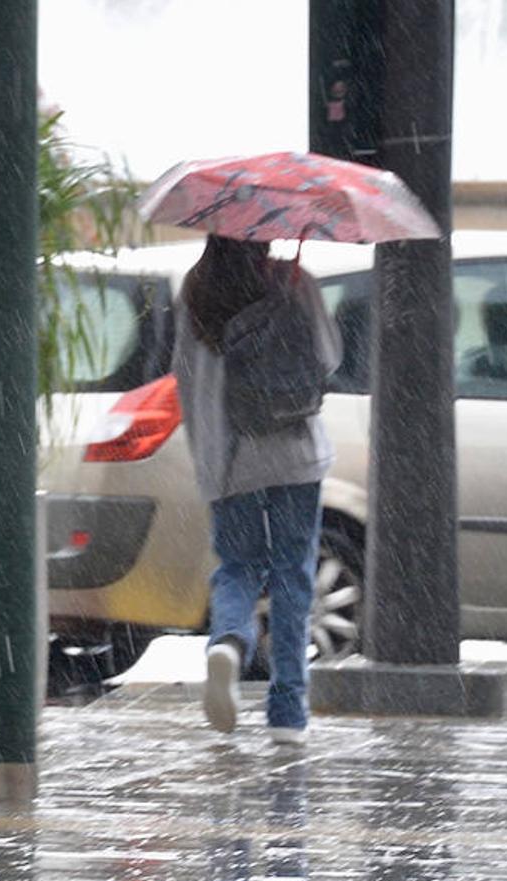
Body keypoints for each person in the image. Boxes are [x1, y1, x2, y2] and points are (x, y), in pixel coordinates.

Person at [173, 235, 341, 746]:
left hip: (230, 456)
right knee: (293, 572)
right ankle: (288, 710)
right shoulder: (295, 280)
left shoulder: (196, 292)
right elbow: (329, 357)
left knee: (239, 568)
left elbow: (185, 377)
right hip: (295, 451)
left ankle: (228, 642)